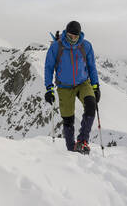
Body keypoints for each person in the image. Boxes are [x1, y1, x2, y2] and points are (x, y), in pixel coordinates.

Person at [43, 21, 100, 154]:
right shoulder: (56, 47)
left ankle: (82, 140)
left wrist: (95, 86)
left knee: (91, 104)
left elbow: (92, 67)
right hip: (64, 86)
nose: (73, 39)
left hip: (82, 83)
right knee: (68, 119)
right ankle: (71, 150)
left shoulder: (86, 46)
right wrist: (49, 88)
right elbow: (48, 68)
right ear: (65, 33)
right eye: (70, 36)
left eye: (75, 36)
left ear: (79, 35)